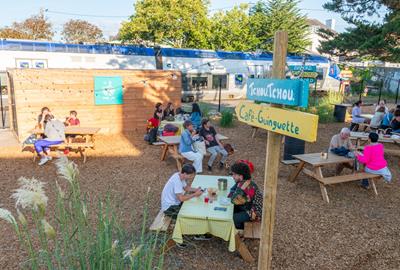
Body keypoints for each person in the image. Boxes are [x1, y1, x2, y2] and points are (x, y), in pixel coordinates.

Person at [228, 162, 262, 230]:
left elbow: (233, 201)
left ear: (241, 176)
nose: (233, 176)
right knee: (230, 210)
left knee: (230, 218)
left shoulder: (245, 187)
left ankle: (240, 229)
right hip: (247, 207)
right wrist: (233, 194)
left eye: (234, 174)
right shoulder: (244, 182)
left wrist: (237, 191)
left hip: (253, 213)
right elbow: (232, 190)